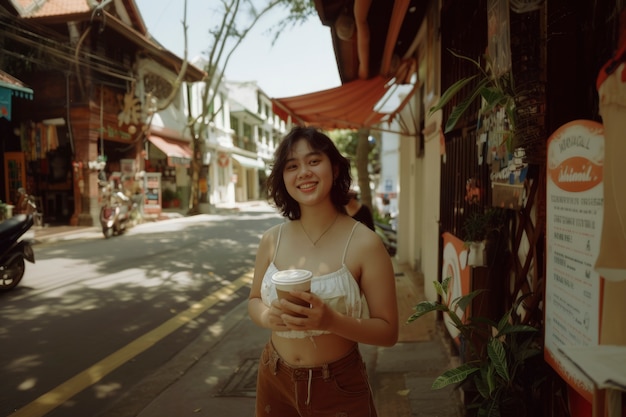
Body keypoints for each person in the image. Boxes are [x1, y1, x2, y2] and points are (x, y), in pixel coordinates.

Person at [248, 126, 398, 416]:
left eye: (314, 161)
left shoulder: (365, 243)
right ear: (283, 177)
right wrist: (269, 315)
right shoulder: (271, 240)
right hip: (273, 377)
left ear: (336, 167)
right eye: (292, 166)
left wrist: (331, 320)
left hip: (338, 385)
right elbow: (254, 301)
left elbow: (388, 332)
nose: (303, 172)